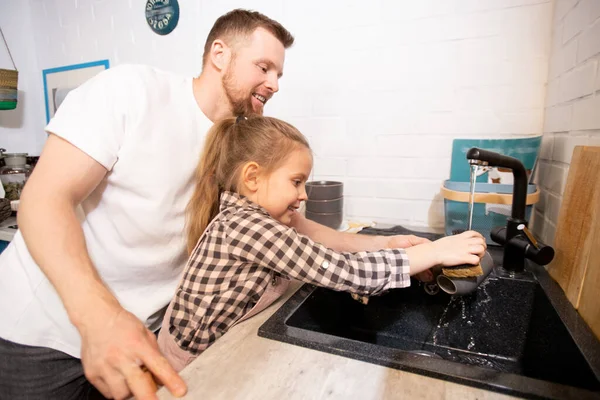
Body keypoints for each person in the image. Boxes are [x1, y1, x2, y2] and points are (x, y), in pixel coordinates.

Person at [0, 9, 444, 400]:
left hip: (140, 336)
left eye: (279, 75)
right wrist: (99, 317)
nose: (273, 83)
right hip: (45, 334)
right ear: (219, 55)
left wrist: (379, 244)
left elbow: (297, 230)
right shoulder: (131, 92)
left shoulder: (237, 139)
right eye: (264, 66)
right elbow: (42, 200)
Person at [157, 115, 487, 371]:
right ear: (253, 178)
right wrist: (434, 250)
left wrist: (389, 244)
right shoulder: (249, 226)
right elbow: (342, 271)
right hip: (191, 362)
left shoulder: (256, 215)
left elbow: (320, 244)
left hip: (205, 345)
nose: (303, 194)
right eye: (296, 182)